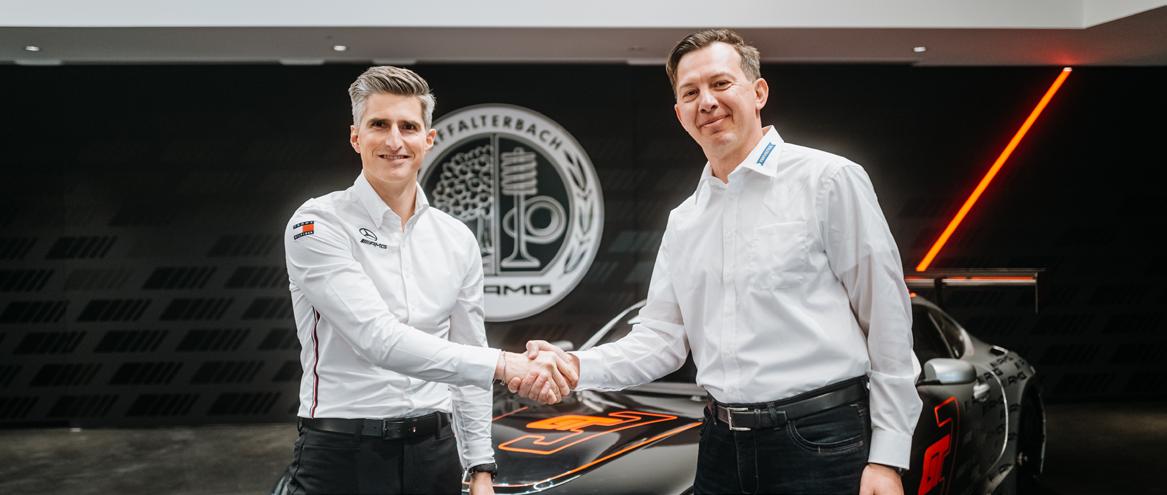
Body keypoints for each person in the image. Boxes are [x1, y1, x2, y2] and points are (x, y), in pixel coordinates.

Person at [518, 30, 921, 494]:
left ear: (759, 92)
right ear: (679, 114)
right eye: (690, 93)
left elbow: (887, 318)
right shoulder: (685, 220)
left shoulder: (828, 180)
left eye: (721, 83)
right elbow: (661, 340)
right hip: (720, 446)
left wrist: (887, 457)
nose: (706, 102)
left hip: (821, 442)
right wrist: (573, 365)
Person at [283, 66, 576, 495]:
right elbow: (377, 339)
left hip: (434, 454)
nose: (394, 141)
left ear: (429, 139)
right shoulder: (316, 224)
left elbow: (468, 349)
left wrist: (480, 466)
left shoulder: (456, 238)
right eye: (379, 125)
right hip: (341, 453)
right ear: (356, 137)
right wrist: (504, 364)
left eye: (408, 127)